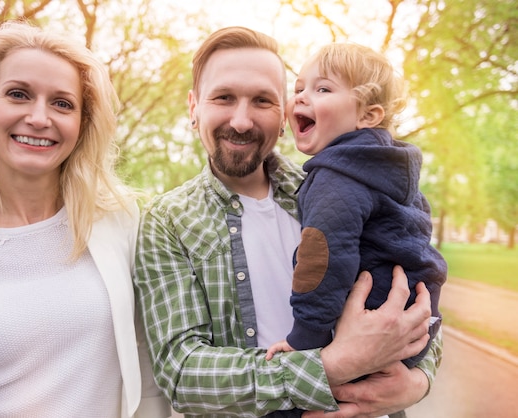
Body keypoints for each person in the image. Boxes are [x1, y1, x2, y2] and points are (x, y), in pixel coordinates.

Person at [134, 26, 441, 418]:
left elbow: (417, 280)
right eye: (223, 97)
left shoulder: (336, 187)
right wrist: (333, 366)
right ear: (194, 108)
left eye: (262, 100)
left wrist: (417, 382)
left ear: (285, 114)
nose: (241, 121)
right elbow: (182, 374)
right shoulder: (167, 222)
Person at [0, 22, 170, 418]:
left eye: (62, 103)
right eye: (18, 95)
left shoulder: (122, 224)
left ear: (81, 124)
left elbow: (149, 378)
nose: (39, 118)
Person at [265, 43, 446, 369]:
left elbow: (324, 257)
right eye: (299, 88)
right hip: (415, 320)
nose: (302, 97)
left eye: (323, 89)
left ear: (367, 115)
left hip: (373, 323)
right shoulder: (389, 168)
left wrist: (305, 337)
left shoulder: (338, 174)